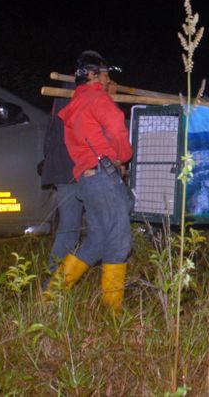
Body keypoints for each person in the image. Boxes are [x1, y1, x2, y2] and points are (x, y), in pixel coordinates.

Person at [48, 50, 133, 311]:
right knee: (120, 239)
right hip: (104, 175)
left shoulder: (75, 103)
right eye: (106, 75)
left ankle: (49, 296)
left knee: (96, 239)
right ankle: (113, 310)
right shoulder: (98, 99)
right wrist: (124, 156)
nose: (109, 81)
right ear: (94, 75)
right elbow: (119, 134)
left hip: (86, 178)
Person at [40, 94, 84, 291]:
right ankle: (53, 284)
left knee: (71, 228)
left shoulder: (65, 95)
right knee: (70, 229)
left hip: (65, 170)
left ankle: (55, 281)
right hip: (71, 171)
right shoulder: (76, 96)